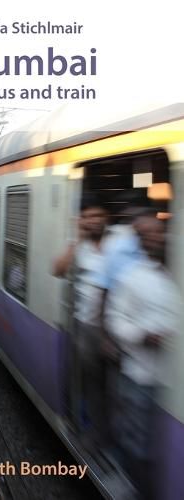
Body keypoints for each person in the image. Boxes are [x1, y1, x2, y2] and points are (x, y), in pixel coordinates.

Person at [105, 211, 182, 498]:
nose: (156, 238)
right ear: (140, 241)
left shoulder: (175, 276)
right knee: (137, 440)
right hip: (140, 373)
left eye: (159, 233)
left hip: (171, 380)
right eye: (148, 235)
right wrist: (143, 336)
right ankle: (132, 485)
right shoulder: (131, 278)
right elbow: (115, 320)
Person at [53, 193, 109, 444]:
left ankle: (96, 431)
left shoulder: (116, 244)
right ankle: (82, 424)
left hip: (107, 327)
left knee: (100, 384)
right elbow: (58, 269)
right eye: (87, 216)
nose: (92, 221)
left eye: (97, 215)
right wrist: (76, 240)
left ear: (105, 218)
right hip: (83, 323)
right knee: (80, 379)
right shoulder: (79, 245)